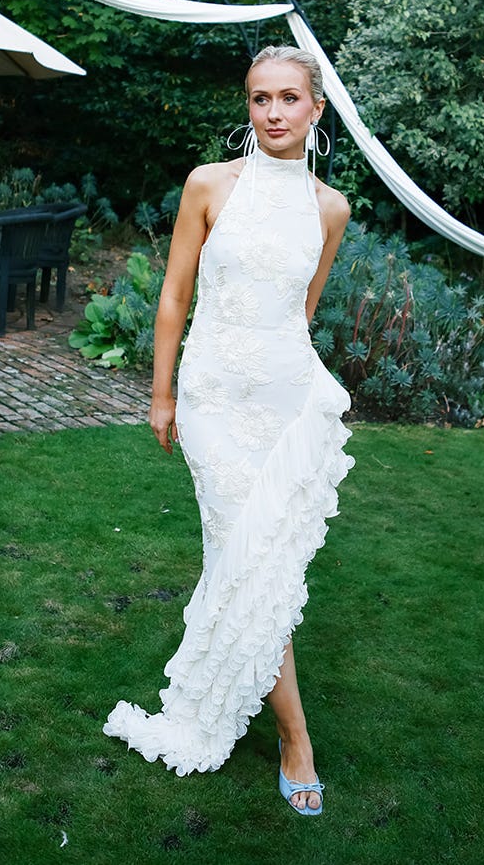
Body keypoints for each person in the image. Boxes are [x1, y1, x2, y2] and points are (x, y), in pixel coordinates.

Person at [103, 45, 354, 815]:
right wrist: (162, 395)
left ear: (315, 108)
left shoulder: (329, 207)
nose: (272, 112)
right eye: (258, 98)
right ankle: (295, 739)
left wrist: (290, 378)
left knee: (261, 566)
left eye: (287, 98)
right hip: (212, 399)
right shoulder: (208, 185)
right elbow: (174, 294)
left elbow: (301, 312)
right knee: (244, 560)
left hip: (284, 402)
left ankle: (254, 707)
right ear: (247, 106)